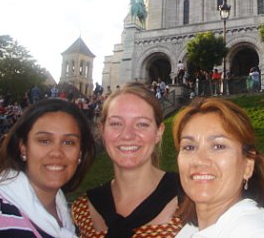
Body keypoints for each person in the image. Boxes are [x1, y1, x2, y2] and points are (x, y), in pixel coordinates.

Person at [0, 99, 96, 237]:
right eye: (44, 140)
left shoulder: (73, 221)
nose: (57, 153)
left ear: (80, 153)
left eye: (69, 142)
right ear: (23, 147)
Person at [72, 82, 182, 237]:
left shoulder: (191, 201)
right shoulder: (82, 209)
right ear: (102, 130)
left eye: (142, 124)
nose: (128, 135)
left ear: (158, 132)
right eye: (116, 123)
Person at [173, 98, 264, 238]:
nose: (199, 160)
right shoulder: (190, 231)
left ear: (248, 165)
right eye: (189, 147)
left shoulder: (254, 232)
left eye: (218, 146)